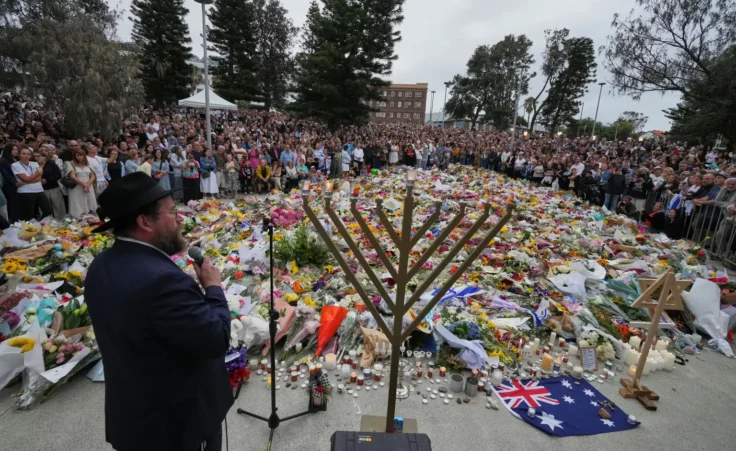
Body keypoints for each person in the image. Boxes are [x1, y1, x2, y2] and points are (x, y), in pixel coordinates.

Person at [84, 172, 231, 451]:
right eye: (173, 211)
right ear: (145, 221)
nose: (180, 218)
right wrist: (213, 288)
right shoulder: (162, 281)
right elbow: (216, 338)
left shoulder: (101, 265)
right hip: (177, 425)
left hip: (135, 417)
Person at [12, 147, 52, 220]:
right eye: (23, 153)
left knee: (48, 210)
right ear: (19, 155)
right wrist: (37, 173)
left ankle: (41, 225)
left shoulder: (35, 163)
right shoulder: (15, 165)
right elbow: (26, 179)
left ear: (30, 156)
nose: (26, 155)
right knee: (28, 214)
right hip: (25, 192)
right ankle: (29, 230)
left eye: (28, 154)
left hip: (39, 190)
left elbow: (39, 178)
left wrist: (25, 181)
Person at [67, 148, 97, 218]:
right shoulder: (71, 164)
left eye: (81, 155)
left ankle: (90, 217)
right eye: (77, 155)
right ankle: (78, 218)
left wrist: (88, 184)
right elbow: (72, 176)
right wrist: (84, 184)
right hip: (77, 187)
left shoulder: (88, 164)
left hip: (89, 186)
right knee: (78, 203)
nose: (80, 157)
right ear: (75, 156)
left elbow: (93, 176)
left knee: (89, 201)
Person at [37, 153, 66, 219]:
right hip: (41, 189)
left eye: (38, 156)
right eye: (35, 156)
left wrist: (47, 179)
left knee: (57, 205)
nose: (37, 158)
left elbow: (58, 175)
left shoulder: (51, 163)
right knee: (44, 207)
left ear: (44, 157)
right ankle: (45, 221)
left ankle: (60, 220)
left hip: (53, 187)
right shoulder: (34, 165)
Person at [0, 143, 20, 222]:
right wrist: (16, 182)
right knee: (13, 204)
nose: (16, 151)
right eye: (14, 149)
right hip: (9, 185)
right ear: (8, 150)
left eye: (17, 149)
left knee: (17, 203)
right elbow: (6, 175)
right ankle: (14, 221)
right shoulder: (3, 161)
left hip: (17, 184)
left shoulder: (14, 159)